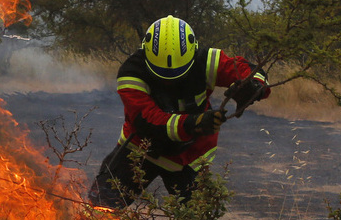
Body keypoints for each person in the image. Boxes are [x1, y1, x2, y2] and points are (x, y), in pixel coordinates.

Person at [88, 15, 270, 209]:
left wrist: (253, 87)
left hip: (191, 157)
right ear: (146, 53)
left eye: (178, 73)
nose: (170, 80)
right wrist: (193, 124)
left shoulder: (206, 61)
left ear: (192, 52)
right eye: (162, 74)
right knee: (101, 206)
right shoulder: (131, 72)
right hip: (140, 149)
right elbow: (146, 121)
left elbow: (249, 70)